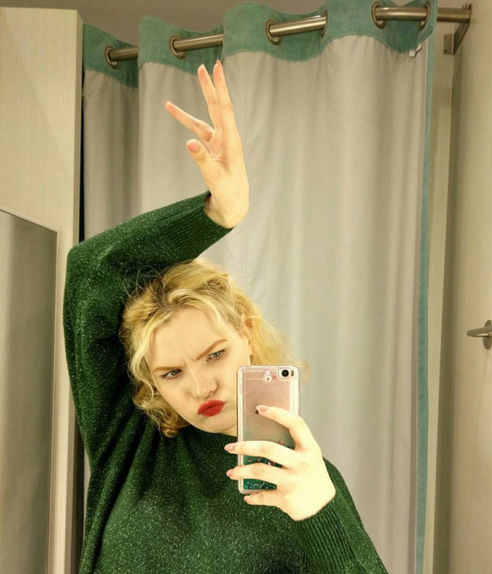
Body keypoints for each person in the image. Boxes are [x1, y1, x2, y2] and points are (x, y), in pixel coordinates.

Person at [64, 60, 388, 573]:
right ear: (150, 383)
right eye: (171, 372)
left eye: (214, 354)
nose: (201, 387)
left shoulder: (301, 477)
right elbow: (90, 273)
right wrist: (219, 213)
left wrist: (322, 513)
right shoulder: (129, 442)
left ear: (246, 334)